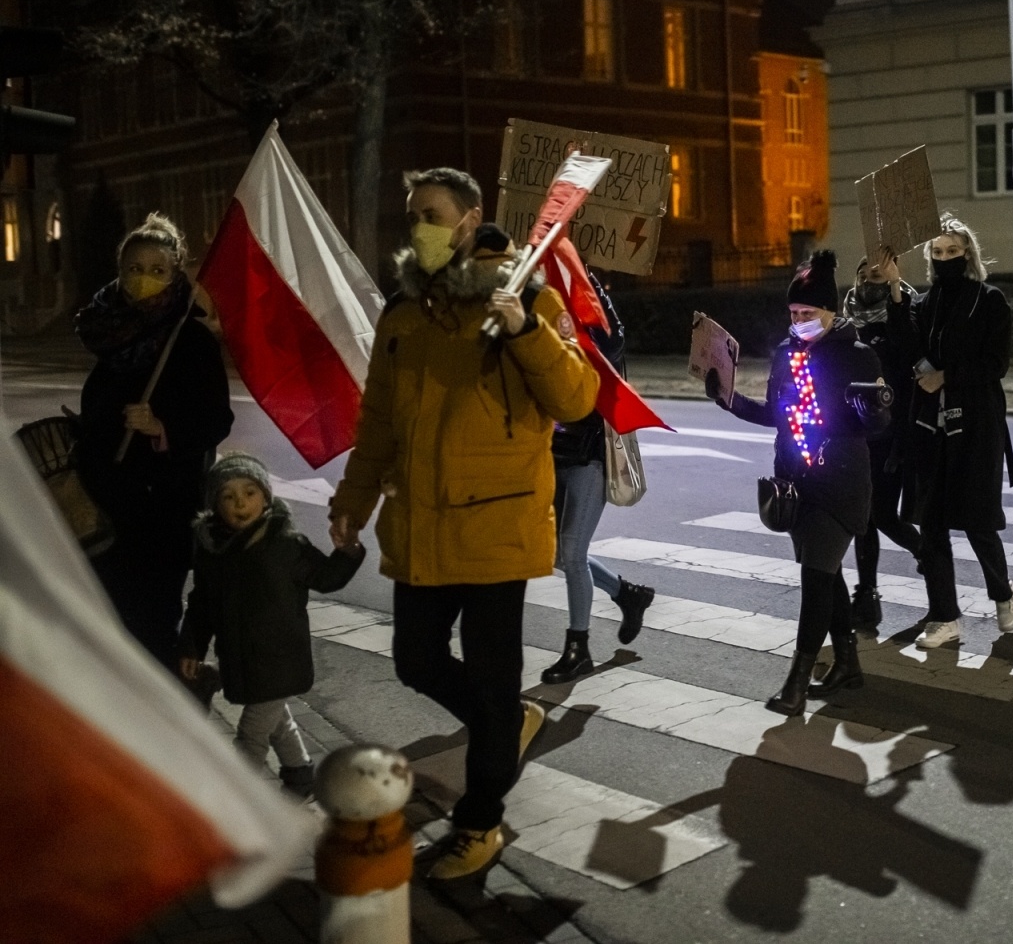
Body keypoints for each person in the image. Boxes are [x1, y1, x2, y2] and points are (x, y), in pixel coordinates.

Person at [328, 168, 598, 879]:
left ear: (471, 219)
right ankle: (506, 722)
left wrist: (526, 332)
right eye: (413, 215)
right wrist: (353, 499)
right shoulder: (404, 311)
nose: (420, 227)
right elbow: (378, 419)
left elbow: (577, 398)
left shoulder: (526, 295)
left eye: (433, 213)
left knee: (490, 676)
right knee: (415, 660)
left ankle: (480, 823)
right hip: (421, 522)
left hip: (495, 528)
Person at [703, 249, 891, 714]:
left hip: (840, 483)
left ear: (830, 311)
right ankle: (847, 663)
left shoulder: (857, 355)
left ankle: (797, 683)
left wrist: (872, 413)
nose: (800, 321)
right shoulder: (786, 355)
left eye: (808, 313)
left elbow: (877, 424)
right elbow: (775, 414)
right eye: (794, 314)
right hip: (794, 482)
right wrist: (730, 400)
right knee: (827, 575)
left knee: (815, 580)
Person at [74, 212, 234, 670]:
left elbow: (216, 419)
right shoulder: (110, 334)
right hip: (105, 512)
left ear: (175, 273)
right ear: (119, 272)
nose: (145, 278)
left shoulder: (191, 339)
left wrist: (161, 427)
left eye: (158, 270)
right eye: (135, 269)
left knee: (154, 625)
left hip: (163, 512)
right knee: (110, 626)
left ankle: (168, 701)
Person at [177, 453, 364, 795]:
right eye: (228, 496)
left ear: (265, 497)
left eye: (249, 492)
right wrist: (191, 645)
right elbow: (202, 603)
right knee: (276, 720)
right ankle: (300, 773)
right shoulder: (212, 550)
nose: (240, 503)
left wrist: (347, 551)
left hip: (281, 660)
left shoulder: (286, 544)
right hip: (240, 656)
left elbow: (325, 578)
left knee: (251, 733)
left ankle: (237, 798)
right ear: (215, 505)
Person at [881, 215, 1013, 648]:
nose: (945, 259)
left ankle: (1002, 592)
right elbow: (905, 346)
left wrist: (946, 376)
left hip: (976, 427)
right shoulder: (926, 303)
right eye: (938, 252)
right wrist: (894, 286)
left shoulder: (989, 300)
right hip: (929, 429)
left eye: (953, 251)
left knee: (978, 521)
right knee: (932, 525)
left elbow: (996, 363)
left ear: (968, 253)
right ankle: (945, 617)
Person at [542, 265, 657, 684]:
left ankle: (579, 649)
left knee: (572, 553)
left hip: (590, 451)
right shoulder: (543, 306)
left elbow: (610, 345)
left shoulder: (594, 313)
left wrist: (584, 297)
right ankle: (628, 595)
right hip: (553, 449)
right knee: (557, 554)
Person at [840, 254, 923, 632]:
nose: (867, 279)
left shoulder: (903, 311)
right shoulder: (845, 321)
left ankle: (926, 553)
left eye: (877, 273)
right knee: (864, 517)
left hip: (894, 431)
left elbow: (909, 354)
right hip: (856, 430)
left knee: (883, 515)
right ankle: (867, 597)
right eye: (863, 273)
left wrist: (894, 288)